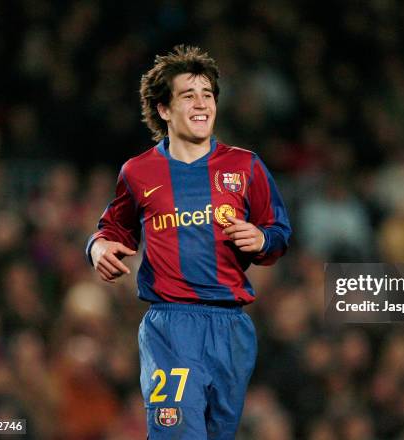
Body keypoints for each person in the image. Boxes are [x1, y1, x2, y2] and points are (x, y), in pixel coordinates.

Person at [85, 45, 291, 439]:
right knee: (177, 433)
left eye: (208, 95)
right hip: (172, 325)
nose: (201, 104)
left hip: (232, 327)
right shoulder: (138, 172)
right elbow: (112, 229)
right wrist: (98, 248)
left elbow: (278, 233)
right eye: (188, 95)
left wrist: (262, 238)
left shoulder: (246, 166)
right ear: (164, 109)